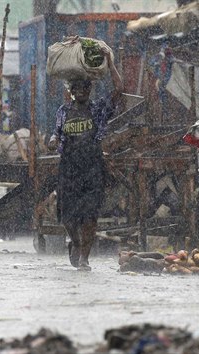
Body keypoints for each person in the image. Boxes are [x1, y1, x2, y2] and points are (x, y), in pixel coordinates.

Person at [48, 44, 124, 271]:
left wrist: (110, 63)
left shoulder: (98, 109)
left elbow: (119, 89)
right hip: (69, 167)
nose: (81, 90)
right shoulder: (63, 112)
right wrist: (53, 141)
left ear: (90, 89)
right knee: (68, 216)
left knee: (90, 215)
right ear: (71, 90)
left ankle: (84, 258)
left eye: (85, 87)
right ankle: (76, 241)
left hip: (92, 166)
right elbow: (57, 133)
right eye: (76, 87)